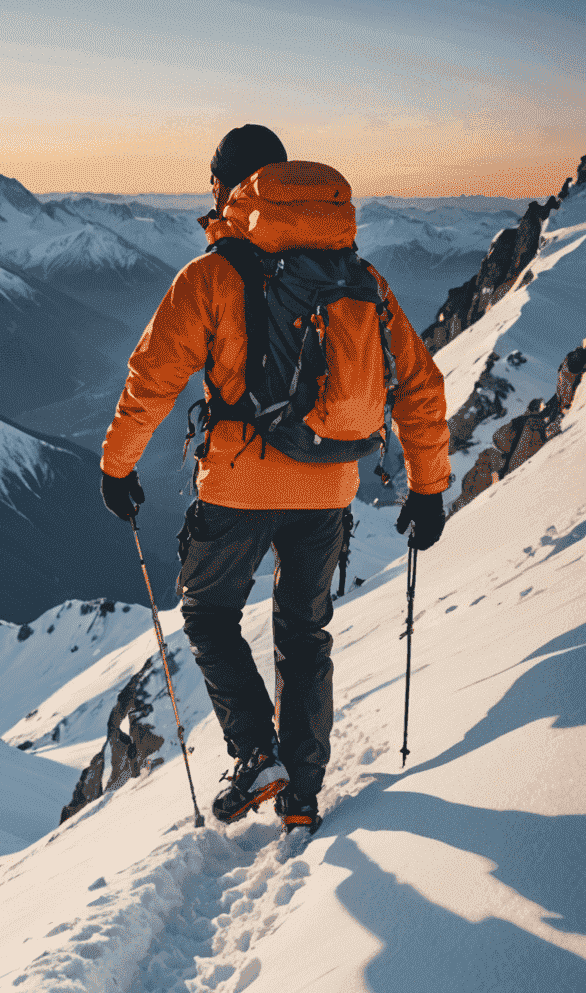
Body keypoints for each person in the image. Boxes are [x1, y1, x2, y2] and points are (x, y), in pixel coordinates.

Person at [98, 125, 451, 834]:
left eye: (213, 183)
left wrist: (118, 464)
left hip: (238, 484)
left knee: (206, 610)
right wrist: (428, 486)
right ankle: (303, 792)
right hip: (329, 486)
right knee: (303, 631)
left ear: (231, 186)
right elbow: (418, 384)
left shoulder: (213, 274)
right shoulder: (358, 275)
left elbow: (152, 379)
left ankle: (257, 753)